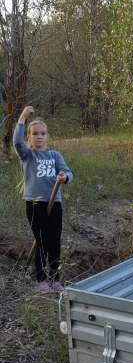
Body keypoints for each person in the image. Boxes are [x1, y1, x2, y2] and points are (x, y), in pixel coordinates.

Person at [14, 106, 73, 293]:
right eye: (35, 134)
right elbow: (16, 142)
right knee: (40, 239)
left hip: (54, 202)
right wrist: (22, 118)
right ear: (29, 137)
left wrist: (64, 177)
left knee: (54, 240)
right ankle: (40, 280)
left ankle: (55, 278)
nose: (39, 136)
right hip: (34, 203)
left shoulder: (55, 156)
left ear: (47, 136)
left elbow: (69, 172)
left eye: (42, 133)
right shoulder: (27, 156)